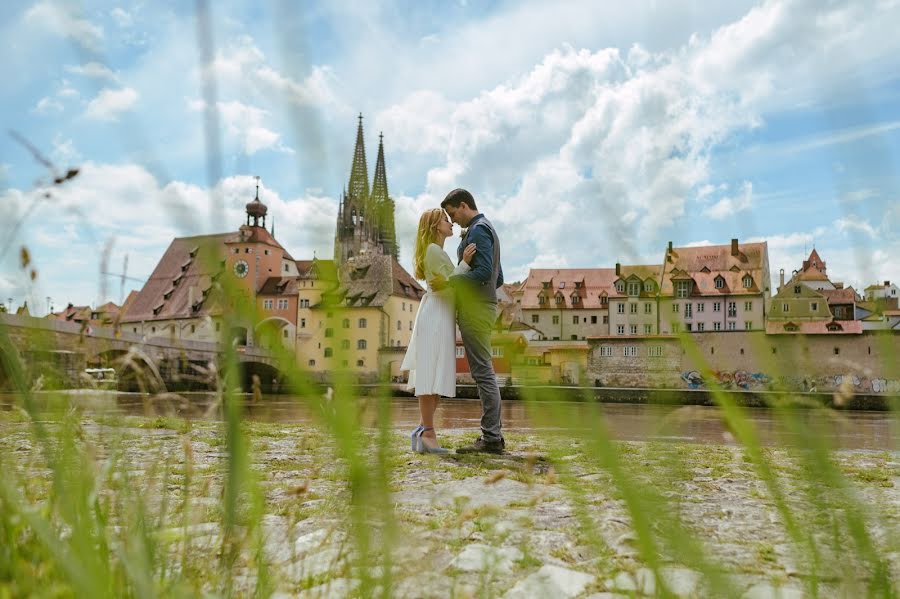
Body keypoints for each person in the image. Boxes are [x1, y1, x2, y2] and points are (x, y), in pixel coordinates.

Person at [434, 188, 505, 454]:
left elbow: (485, 272)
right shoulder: (488, 229)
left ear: (463, 206)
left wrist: (451, 279)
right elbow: (497, 278)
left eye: (453, 214)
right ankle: (493, 435)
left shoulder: (477, 230)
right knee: (484, 372)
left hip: (475, 310)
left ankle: (491, 439)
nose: (453, 221)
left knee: (483, 373)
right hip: (484, 307)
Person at [401, 208, 476, 454]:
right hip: (436, 314)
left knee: (433, 375)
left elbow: (449, 282)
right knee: (429, 376)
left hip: (439, 312)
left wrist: (454, 275)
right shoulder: (434, 250)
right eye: (446, 219)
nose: (450, 222)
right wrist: (465, 263)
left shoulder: (436, 251)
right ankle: (428, 433)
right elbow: (453, 281)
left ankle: (423, 430)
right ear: (435, 226)